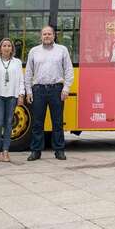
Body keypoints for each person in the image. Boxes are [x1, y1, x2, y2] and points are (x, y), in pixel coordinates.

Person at [25, 25, 73, 161]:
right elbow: (28, 72)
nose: (47, 36)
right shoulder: (34, 51)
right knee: (37, 123)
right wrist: (28, 91)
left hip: (56, 90)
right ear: (41, 36)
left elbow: (69, 70)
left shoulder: (62, 50)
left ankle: (59, 150)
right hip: (38, 90)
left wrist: (66, 88)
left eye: (49, 34)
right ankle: (35, 151)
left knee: (57, 122)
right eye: (44, 34)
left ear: (54, 36)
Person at [0, 38, 25, 163]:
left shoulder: (17, 62)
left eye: (9, 46)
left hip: (12, 96)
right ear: (0, 48)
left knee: (8, 124)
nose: (6, 48)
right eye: (4, 45)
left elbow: (20, 80)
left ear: (12, 48)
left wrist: (21, 94)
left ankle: (6, 152)